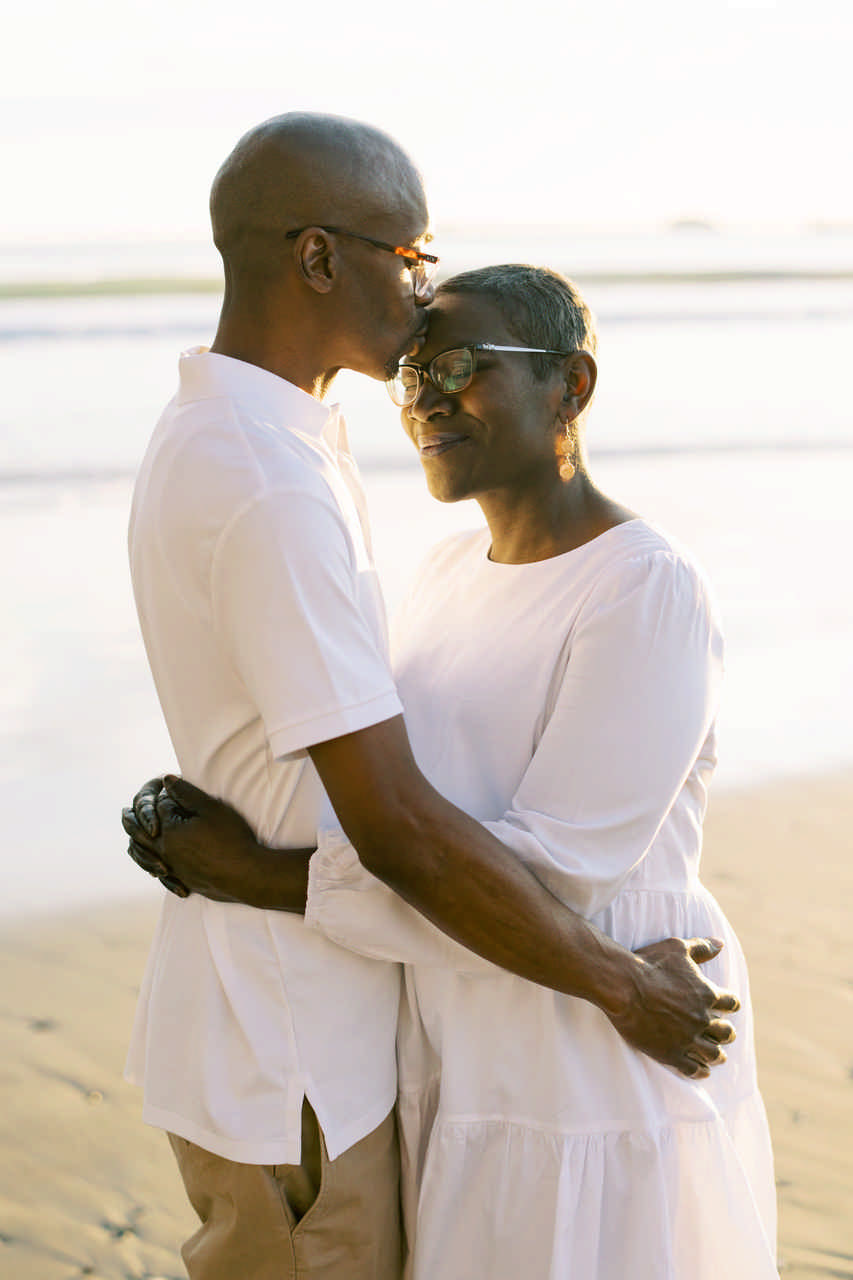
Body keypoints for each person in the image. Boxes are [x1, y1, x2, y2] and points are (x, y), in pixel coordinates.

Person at [124, 111, 740, 1280]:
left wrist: (243, 861)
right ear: (317, 258)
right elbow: (401, 823)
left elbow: (469, 831)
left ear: (572, 391)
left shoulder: (264, 452)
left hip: (436, 1045)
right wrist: (618, 983)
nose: (419, 305)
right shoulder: (271, 479)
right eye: (409, 259)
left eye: (457, 362)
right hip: (302, 1046)